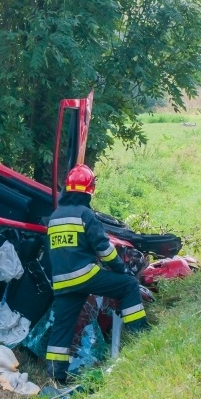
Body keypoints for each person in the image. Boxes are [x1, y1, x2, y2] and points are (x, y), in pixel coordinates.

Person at [45, 164, 149, 384]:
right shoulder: (85, 214)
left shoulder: (54, 217)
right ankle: (141, 336)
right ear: (88, 191)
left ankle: (56, 375)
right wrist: (121, 270)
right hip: (85, 276)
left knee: (62, 326)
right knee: (128, 286)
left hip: (62, 283)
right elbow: (104, 249)